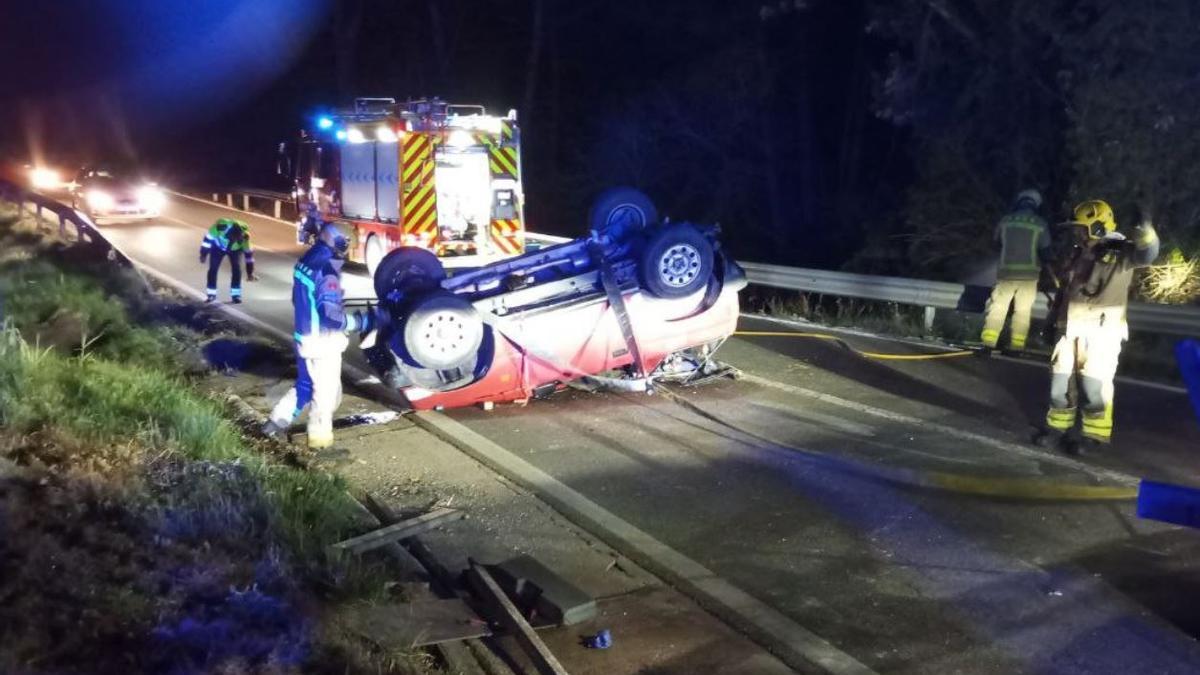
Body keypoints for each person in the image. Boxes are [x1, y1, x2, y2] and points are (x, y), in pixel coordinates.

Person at [1036, 199, 1159, 453]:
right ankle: (1058, 428)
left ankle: (1095, 434)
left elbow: (1147, 254)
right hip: (1070, 328)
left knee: (1095, 384)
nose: (1078, 234)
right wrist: (1050, 323)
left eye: (1082, 229)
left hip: (1102, 332)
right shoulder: (1078, 253)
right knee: (1060, 382)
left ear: (1098, 227)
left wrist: (1145, 230)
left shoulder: (1121, 252)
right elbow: (1065, 292)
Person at [264, 223, 373, 449]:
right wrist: (362, 321)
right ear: (339, 241)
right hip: (322, 344)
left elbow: (299, 299)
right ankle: (319, 444)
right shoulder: (327, 270)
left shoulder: (308, 259)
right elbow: (331, 317)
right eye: (347, 243)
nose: (348, 249)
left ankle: (274, 425)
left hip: (304, 337)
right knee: (325, 397)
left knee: (305, 386)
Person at [980, 189, 1052, 352]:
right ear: (1036, 205)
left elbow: (995, 243)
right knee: (1023, 312)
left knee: (998, 308)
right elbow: (1046, 251)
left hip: (1006, 274)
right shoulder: (1040, 224)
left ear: (1019, 202)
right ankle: (1017, 346)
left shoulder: (1006, 221)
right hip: (1029, 277)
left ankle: (988, 343)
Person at [200, 218, 257, 303]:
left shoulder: (245, 238)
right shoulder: (219, 227)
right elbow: (207, 240)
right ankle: (211, 294)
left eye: (237, 240)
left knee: (237, 269)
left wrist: (250, 273)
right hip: (218, 248)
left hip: (235, 251)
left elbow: (249, 258)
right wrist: (203, 254)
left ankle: (236, 295)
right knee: (213, 269)